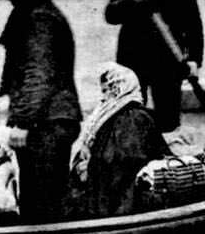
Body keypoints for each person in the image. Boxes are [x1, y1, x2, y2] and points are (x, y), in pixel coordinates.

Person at [0, 0, 81, 224]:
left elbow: (38, 75)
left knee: (43, 204)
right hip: (47, 121)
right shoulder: (33, 14)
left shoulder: (39, 19)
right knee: (39, 199)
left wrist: (22, 122)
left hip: (46, 123)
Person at [104, 0, 204, 134]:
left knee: (169, 119)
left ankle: (167, 163)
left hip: (168, 59)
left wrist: (195, 58)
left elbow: (193, 23)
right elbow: (111, 15)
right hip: (133, 57)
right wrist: (130, 2)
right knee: (129, 115)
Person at [66, 63, 170, 219]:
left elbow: (126, 161)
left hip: (126, 202)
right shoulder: (112, 116)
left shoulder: (133, 117)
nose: (102, 97)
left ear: (119, 89)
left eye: (106, 91)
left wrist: (91, 167)